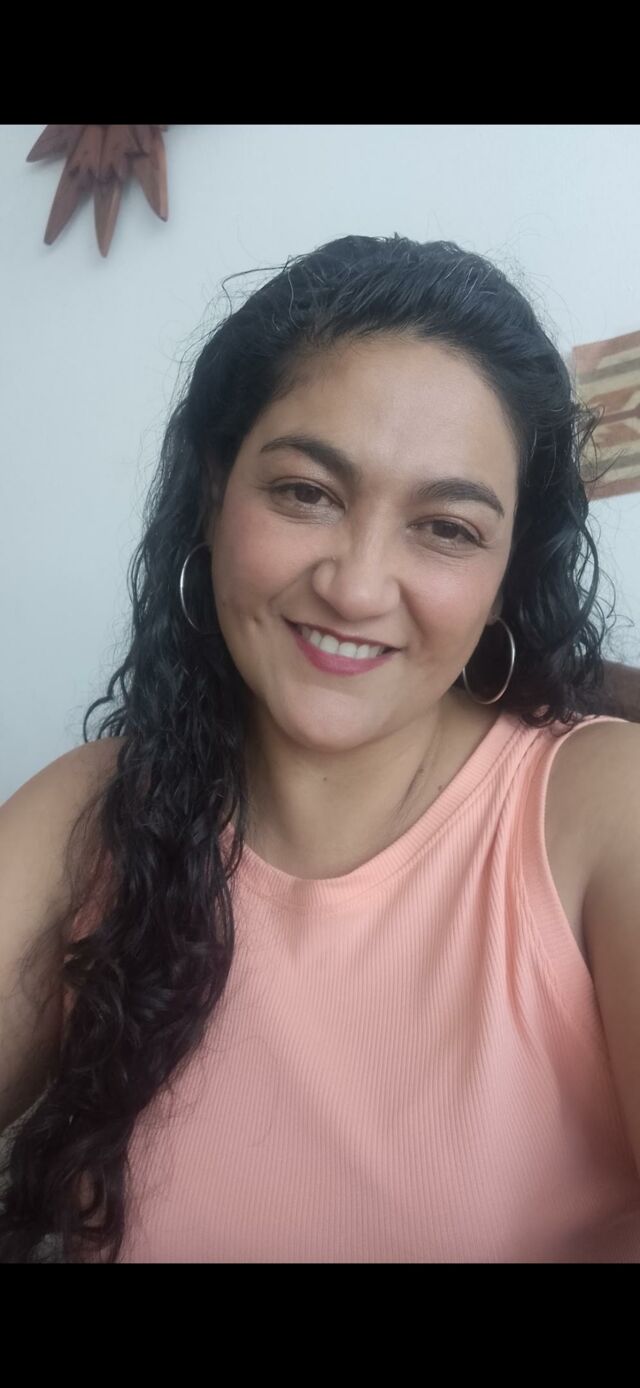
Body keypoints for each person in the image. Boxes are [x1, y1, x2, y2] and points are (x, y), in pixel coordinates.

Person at [1, 233, 640, 1264]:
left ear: (506, 576)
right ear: (215, 492)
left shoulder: (604, 808)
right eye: (306, 492)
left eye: (447, 527)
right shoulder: (94, 812)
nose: (355, 585)